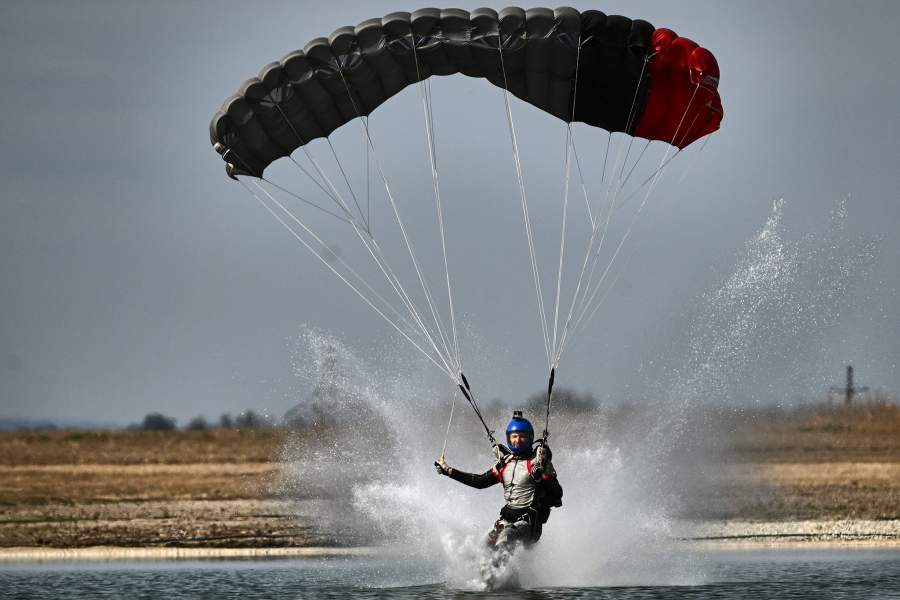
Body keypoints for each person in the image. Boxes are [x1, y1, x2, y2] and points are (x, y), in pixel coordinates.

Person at [435, 410, 563, 548]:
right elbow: (480, 481)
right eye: (514, 436)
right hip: (508, 519)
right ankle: (485, 568)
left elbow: (558, 494)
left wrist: (542, 478)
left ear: (530, 438)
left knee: (505, 538)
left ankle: (500, 568)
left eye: (522, 437)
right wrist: (449, 471)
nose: (518, 440)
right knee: (485, 544)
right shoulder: (505, 463)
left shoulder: (539, 463)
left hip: (529, 523)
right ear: (509, 438)